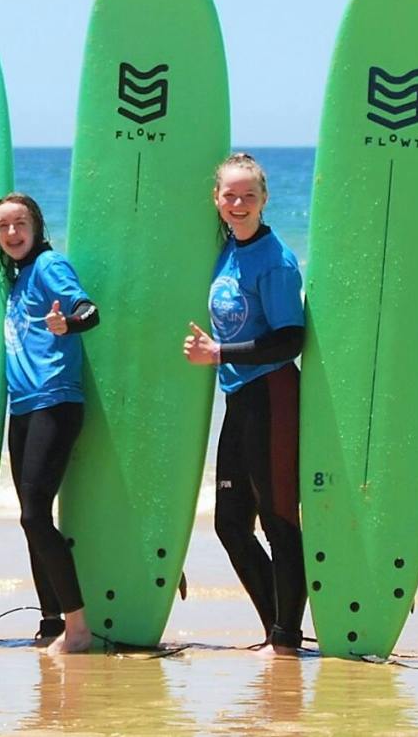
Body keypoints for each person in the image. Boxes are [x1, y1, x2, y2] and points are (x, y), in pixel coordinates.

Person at [181, 153, 306, 657]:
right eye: (229, 196)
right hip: (239, 396)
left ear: (264, 200)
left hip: (273, 393)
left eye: (248, 196)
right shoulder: (227, 251)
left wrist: (219, 352)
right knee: (229, 524)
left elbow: (290, 338)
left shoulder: (273, 259)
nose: (238, 204)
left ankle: (287, 639)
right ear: (216, 199)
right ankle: (276, 627)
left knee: (279, 521)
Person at [0, 193, 99, 654]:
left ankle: (77, 628)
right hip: (24, 407)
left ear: (36, 226)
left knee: (34, 515)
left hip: (55, 400)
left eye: (20, 224)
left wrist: (68, 326)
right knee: (34, 519)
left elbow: (89, 311)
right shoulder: (18, 280)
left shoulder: (50, 265)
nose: (12, 234)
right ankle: (52, 620)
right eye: (3, 227)